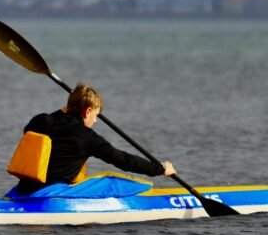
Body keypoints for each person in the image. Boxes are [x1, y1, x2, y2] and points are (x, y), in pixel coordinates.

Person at [10, 82, 176, 196]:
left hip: (22, 191)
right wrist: (159, 169)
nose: (96, 120)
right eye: (95, 115)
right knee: (112, 180)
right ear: (88, 111)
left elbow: (38, 125)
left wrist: (69, 107)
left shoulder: (41, 120)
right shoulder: (87, 137)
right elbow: (123, 160)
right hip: (50, 194)